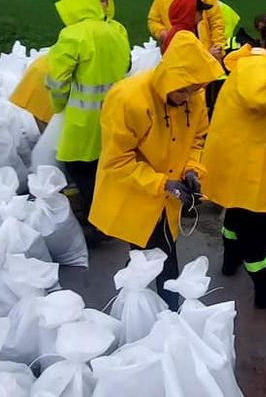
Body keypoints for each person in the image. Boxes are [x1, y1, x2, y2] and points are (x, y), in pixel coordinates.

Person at [88, 31, 223, 309]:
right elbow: (117, 161)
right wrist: (164, 183)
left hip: (165, 196)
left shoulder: (193, 95)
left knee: (148, 256)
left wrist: (191, 170)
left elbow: (197, 139)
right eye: (184, 89)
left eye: (196, 89)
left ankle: (128, 306)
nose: (189, 97)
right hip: (135, 192)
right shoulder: (128, 99)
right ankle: (166, 313)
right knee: (160, 256)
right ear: (170, 77)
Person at [203, 26, 266, 309]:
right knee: (259, 228)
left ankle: (231, 259)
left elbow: (264, 126)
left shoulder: (251, 65)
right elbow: (259, 96)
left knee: (236, 211)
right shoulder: (259, 65)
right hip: (247, 163)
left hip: (242, 155)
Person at [47, 0, 131, 237]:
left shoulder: (72, 35)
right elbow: (127, 66)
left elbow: (58, 80)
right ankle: (108, 213)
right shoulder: (115, 31)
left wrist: (58, 104)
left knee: (77, 167)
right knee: (103, 167)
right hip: (115, 113)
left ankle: (99, 221)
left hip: (83, 119)